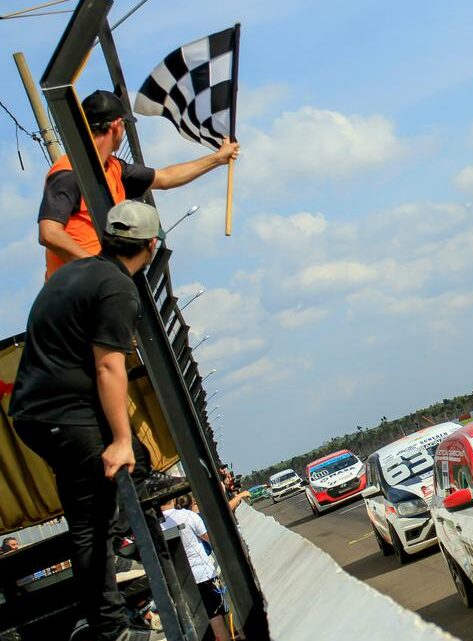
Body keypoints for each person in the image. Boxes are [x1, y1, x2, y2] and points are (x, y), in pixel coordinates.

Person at [9, 200, 164, 641]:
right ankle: (109, 628)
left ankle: (111, 562)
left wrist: (125, 444)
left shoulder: (73, 274)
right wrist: (116, 437)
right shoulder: (117, 288)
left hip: (36, 413)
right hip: (65, 415)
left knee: (138, 458)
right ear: (149, 246)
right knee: (89, 521)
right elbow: (108, 367)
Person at [38, 89, 240, 280]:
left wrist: (218, 158)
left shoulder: (115, 167)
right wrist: (100, 270)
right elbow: (49, 233)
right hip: (74, 290)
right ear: (117, 125)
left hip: (95, 286)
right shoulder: (70, 171)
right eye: (125, 125)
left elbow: (165, 177)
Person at [160, 498, 229, 641]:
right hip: (204, 575)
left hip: (178, 583)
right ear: (173, 499)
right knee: (216, 616)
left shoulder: (153, 526)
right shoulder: (189, 515)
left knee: (193, 622)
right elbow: (210, 539)